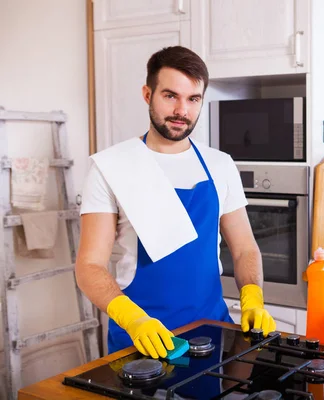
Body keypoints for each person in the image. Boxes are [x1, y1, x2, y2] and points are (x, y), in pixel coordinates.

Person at [75, 46, 276, 359]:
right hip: (140, 339)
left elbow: (245, 248)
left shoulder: (219, 165)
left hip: (212, 331)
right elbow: (89, 266)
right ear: (147, 94)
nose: (182, 110)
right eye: (170, 95)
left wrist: (252, 296)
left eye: (193, 99)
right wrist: (134, 319)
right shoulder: (111, 167)